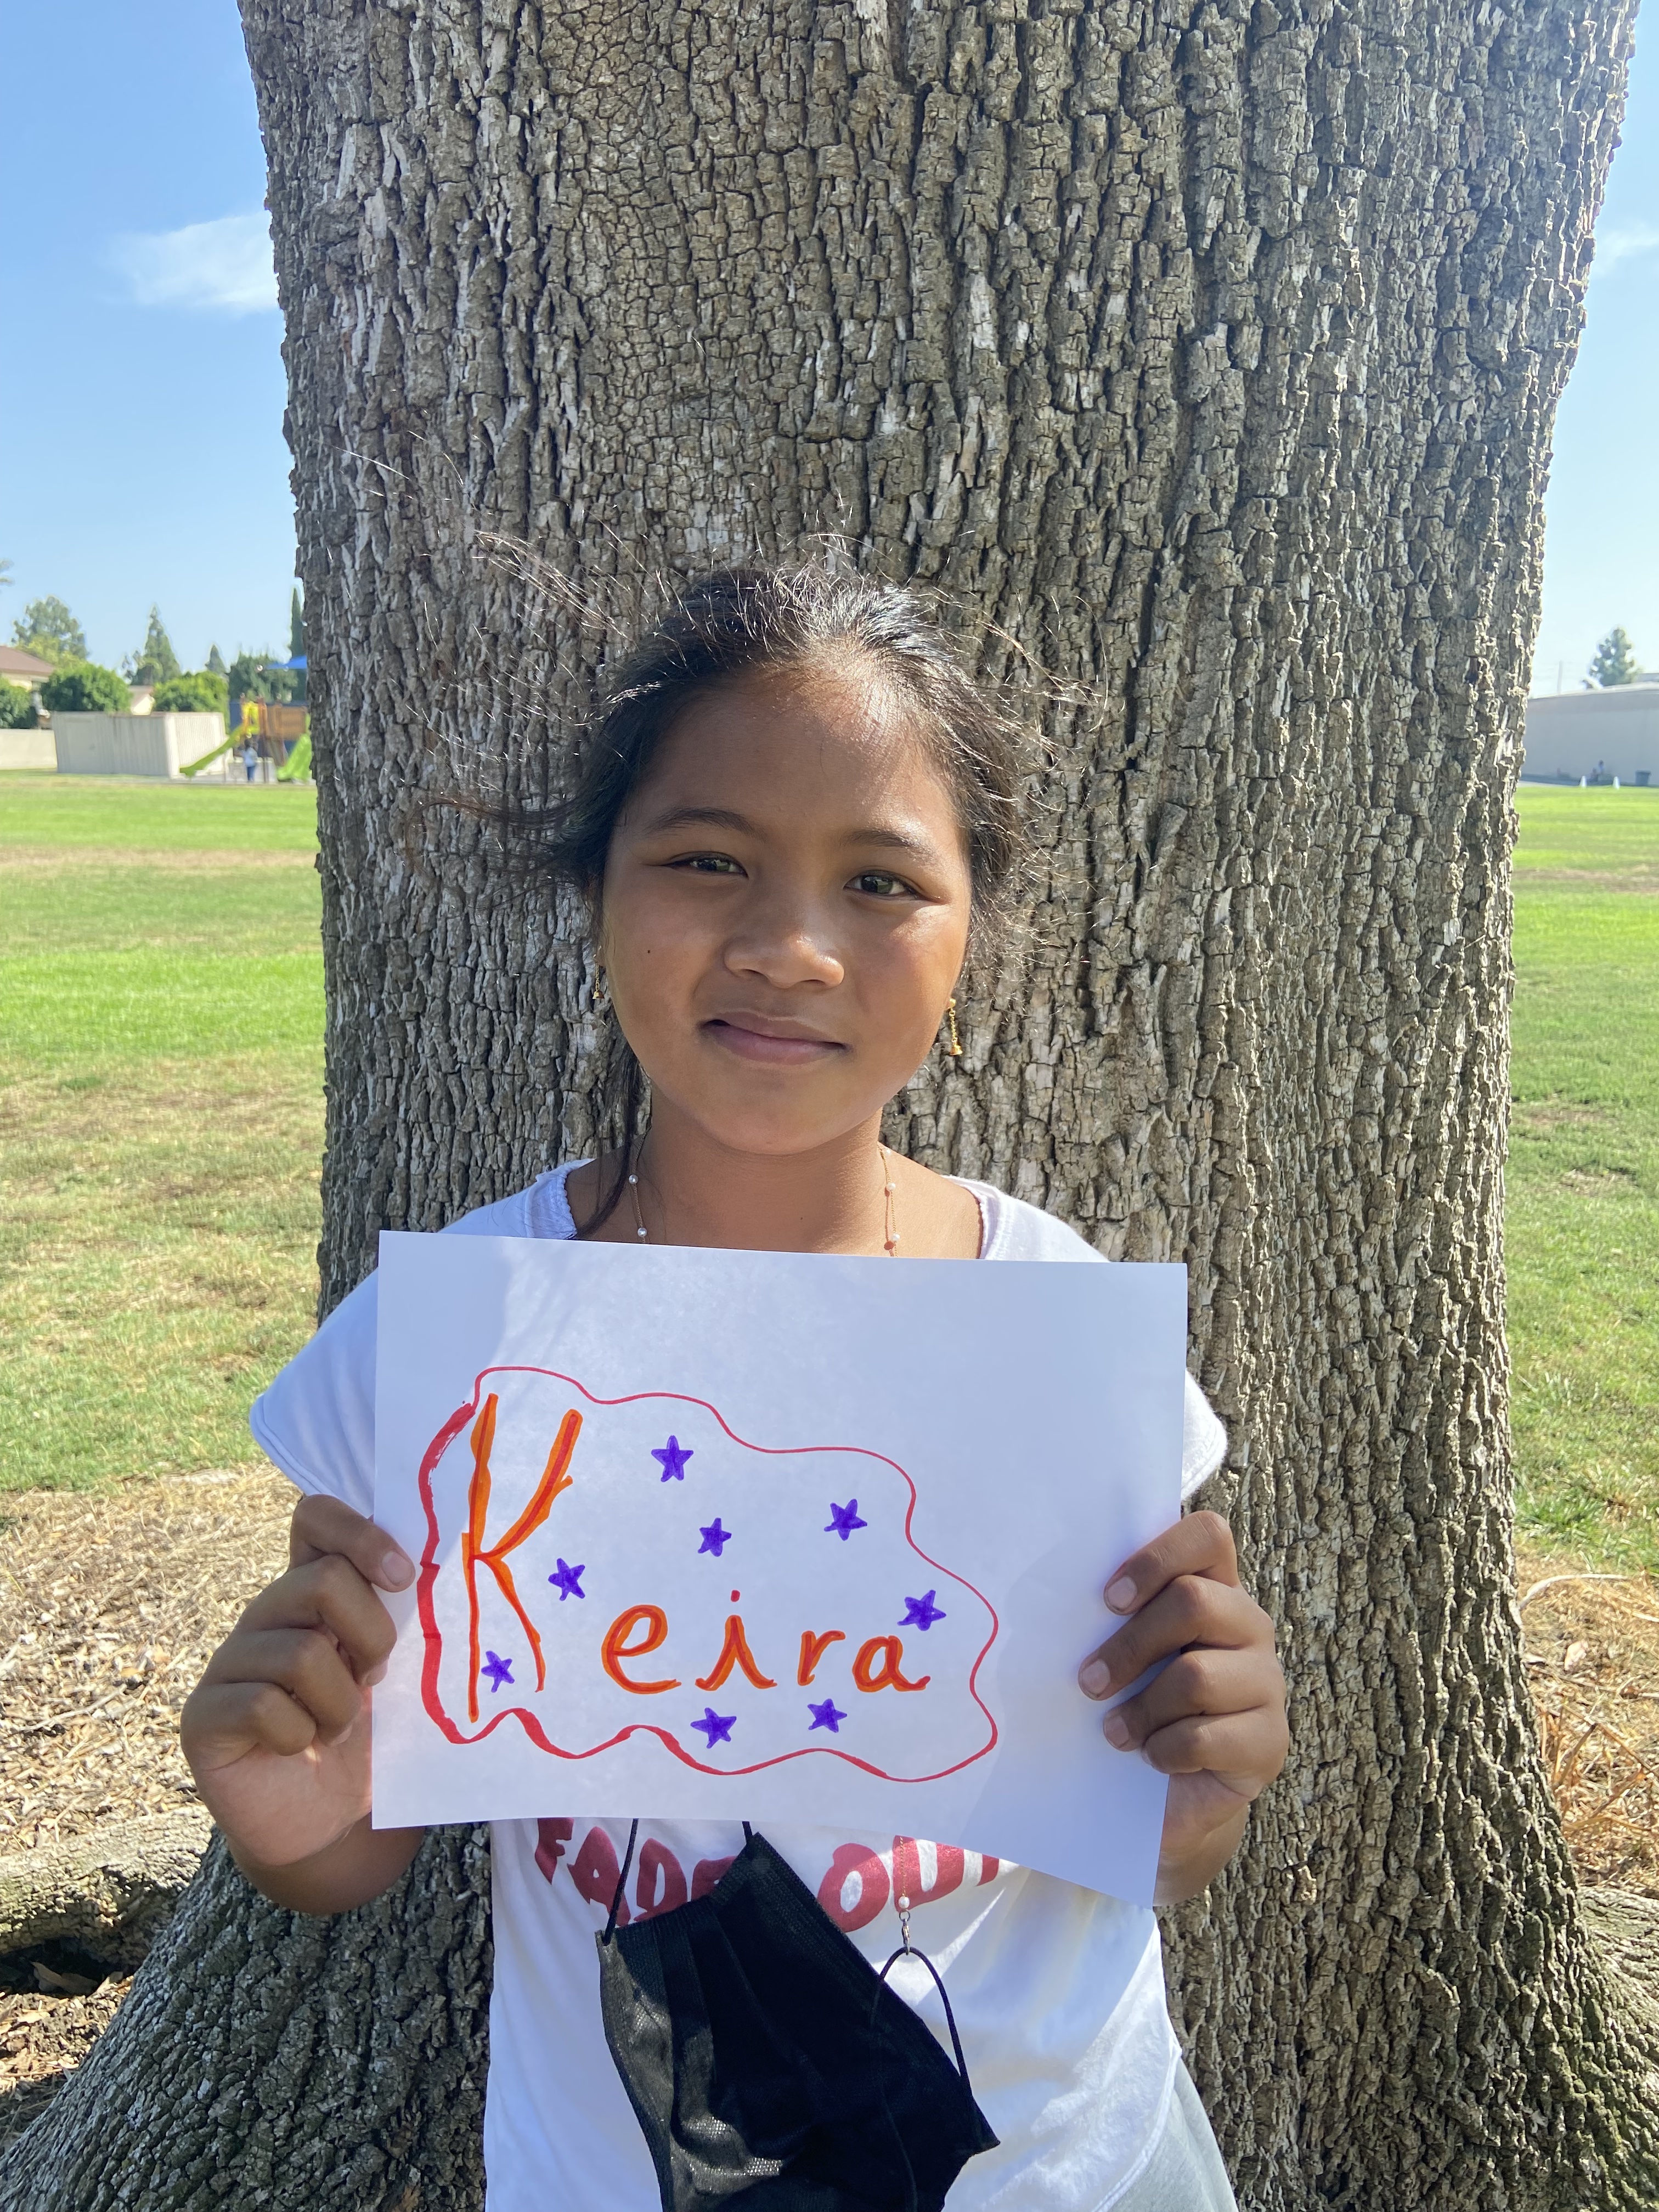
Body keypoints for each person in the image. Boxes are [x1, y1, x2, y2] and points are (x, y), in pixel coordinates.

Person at [182, 566, 1288, 2212]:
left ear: (970, 934)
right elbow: (360, 1841)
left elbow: (1147, 1836)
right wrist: (291, 1818)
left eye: (883, 882)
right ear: (598, 890)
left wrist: (1198, 1798)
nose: (788, 948)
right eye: (706, 860)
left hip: (1071, 2173)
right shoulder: (448, 1346)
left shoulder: (1056, 1329)